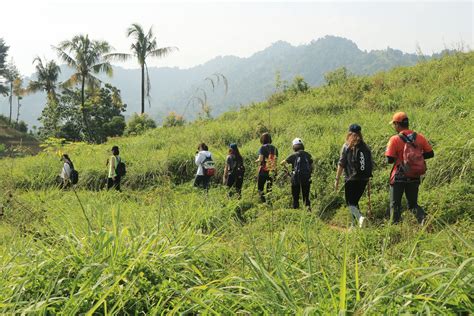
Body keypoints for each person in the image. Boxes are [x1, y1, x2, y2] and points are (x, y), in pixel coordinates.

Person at [385, 112, 434, 224]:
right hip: (414, 175)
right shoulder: (419, 137)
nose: (394, 127)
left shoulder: (395, 139)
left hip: (399, 176)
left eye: (394, 124)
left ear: (397, 124)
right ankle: (424, 221)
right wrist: (417, 157)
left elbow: (390, 160)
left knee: (395, 204)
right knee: (412, 204)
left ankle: (395, 228)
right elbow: (430, 153)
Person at [335, 124, 373, 228]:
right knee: (354, 202)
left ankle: (360, 218)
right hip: (364, 179)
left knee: (350, 203)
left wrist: (337, 179)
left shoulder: (346, 146)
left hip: (351, 179)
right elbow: (370, 163)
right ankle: (354, 225)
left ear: (349, 133)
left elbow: (341, 164)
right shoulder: (365, 147)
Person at [281, 138, 313, 211]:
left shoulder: (293, 155)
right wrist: (309, 174)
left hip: (295, 179)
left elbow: (282, 163)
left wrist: (288, 171)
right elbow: (312, 166)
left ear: (294, 146)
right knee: (306, 197)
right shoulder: (307, 155)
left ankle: (296, 212)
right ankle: (308, 212)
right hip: (306, 179)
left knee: (295, 197)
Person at [255, 132, 278, 202]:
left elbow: (261, 159)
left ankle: (263, 202)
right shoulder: (275, 148)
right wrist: (276, 172)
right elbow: (275, 160)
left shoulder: (262, 147)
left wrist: (256, 161)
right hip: (271, 170)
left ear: (262, 140)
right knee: (269, 188)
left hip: (263, 171)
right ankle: (269, 202)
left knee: (260, 188)